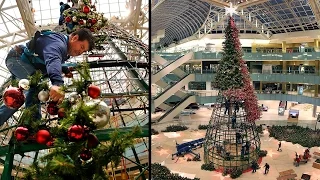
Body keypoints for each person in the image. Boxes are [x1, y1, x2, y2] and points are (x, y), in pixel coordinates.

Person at [0, 28, 95, 126]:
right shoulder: (59, 44)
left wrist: (64, 68)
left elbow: (49, 57)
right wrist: (58, 84)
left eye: (84, 51)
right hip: (18, 59)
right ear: (74, 38)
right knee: (35, 87)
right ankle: (33, 127)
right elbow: (52, 59)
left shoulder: (61, 45)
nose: (80, 52)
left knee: (16, 98)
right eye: (81, 47)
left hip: (22, 62)